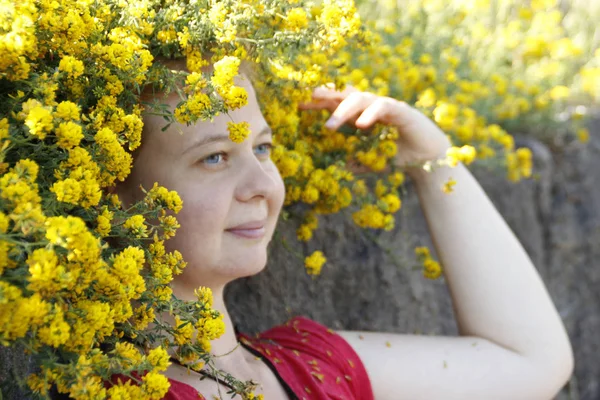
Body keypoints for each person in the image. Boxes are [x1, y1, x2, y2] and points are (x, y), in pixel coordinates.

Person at [113, 61, 575, 399]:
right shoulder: (123, 392)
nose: (263, 185)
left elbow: (530, 362)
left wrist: (432, 163)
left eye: (263, 148)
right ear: (114, 195)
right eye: (214, 157)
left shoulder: (308, 367)